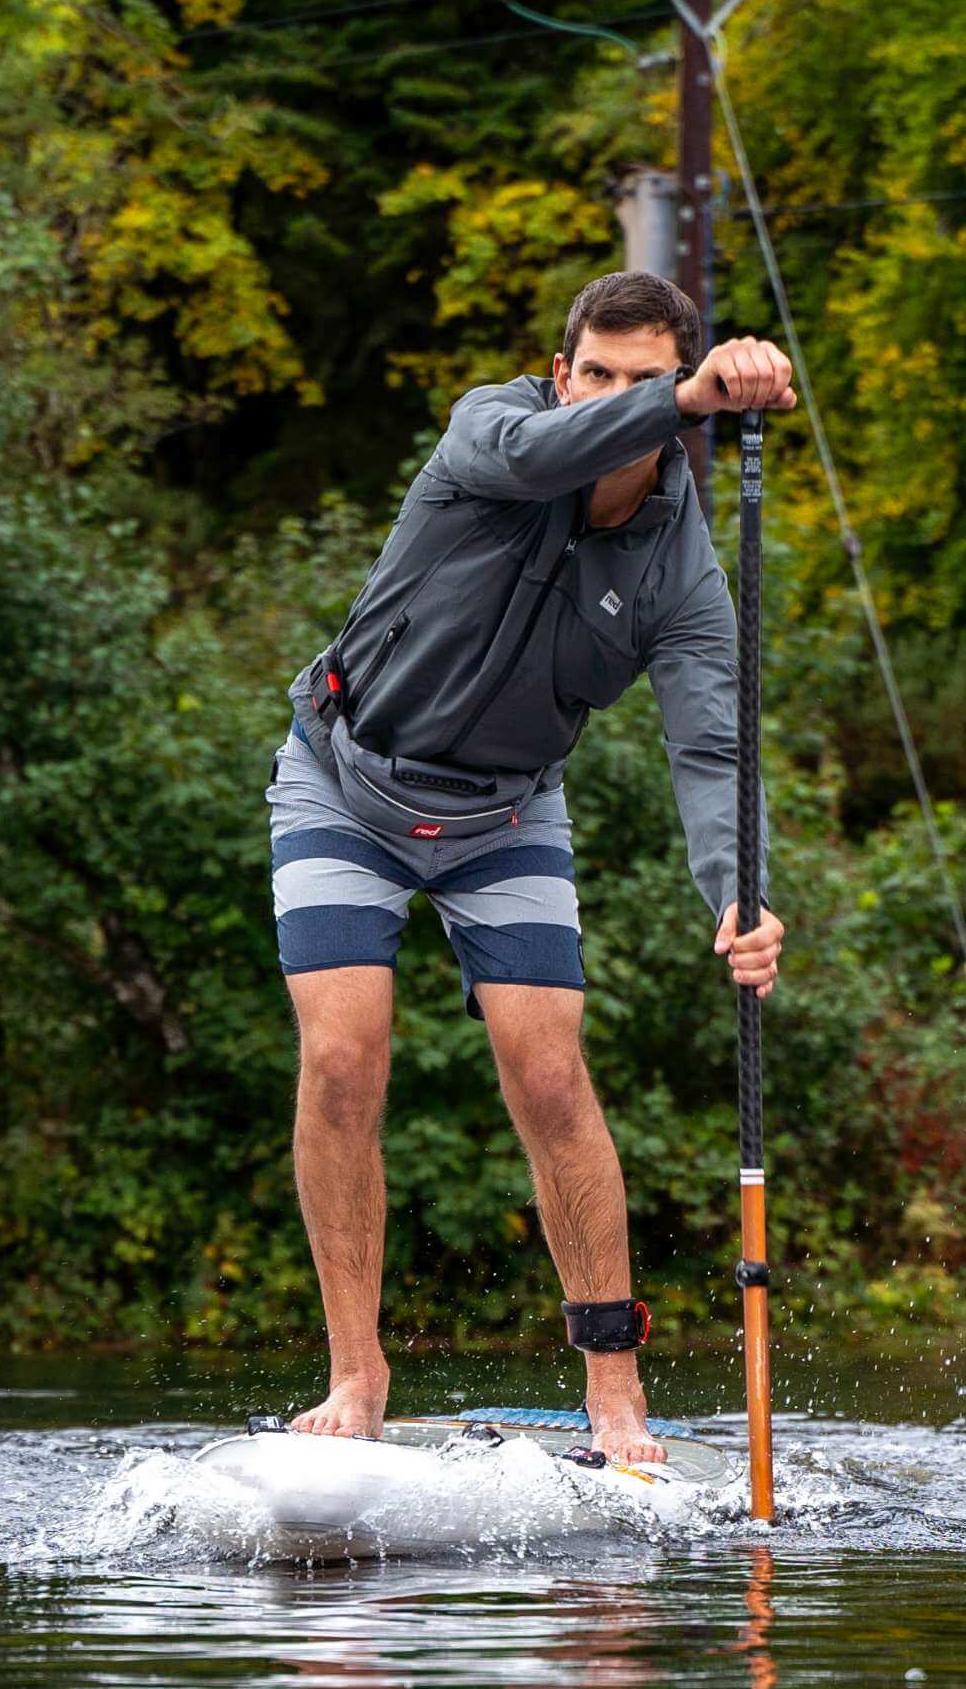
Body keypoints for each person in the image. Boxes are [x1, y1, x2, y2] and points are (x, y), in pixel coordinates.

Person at [267, 270, 793, 1463]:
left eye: (644, 380)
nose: (607, 397)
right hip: (344, 781)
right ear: (562, 378)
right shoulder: (485, 434)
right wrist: (688, 399)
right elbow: (537, 449)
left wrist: (740, 894)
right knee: (344, 1053)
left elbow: (711, 747)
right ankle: (356, 1378)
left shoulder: (680, 575)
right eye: (593, 376)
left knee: (548, 1073)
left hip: (507, 815)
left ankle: (614, 1389)